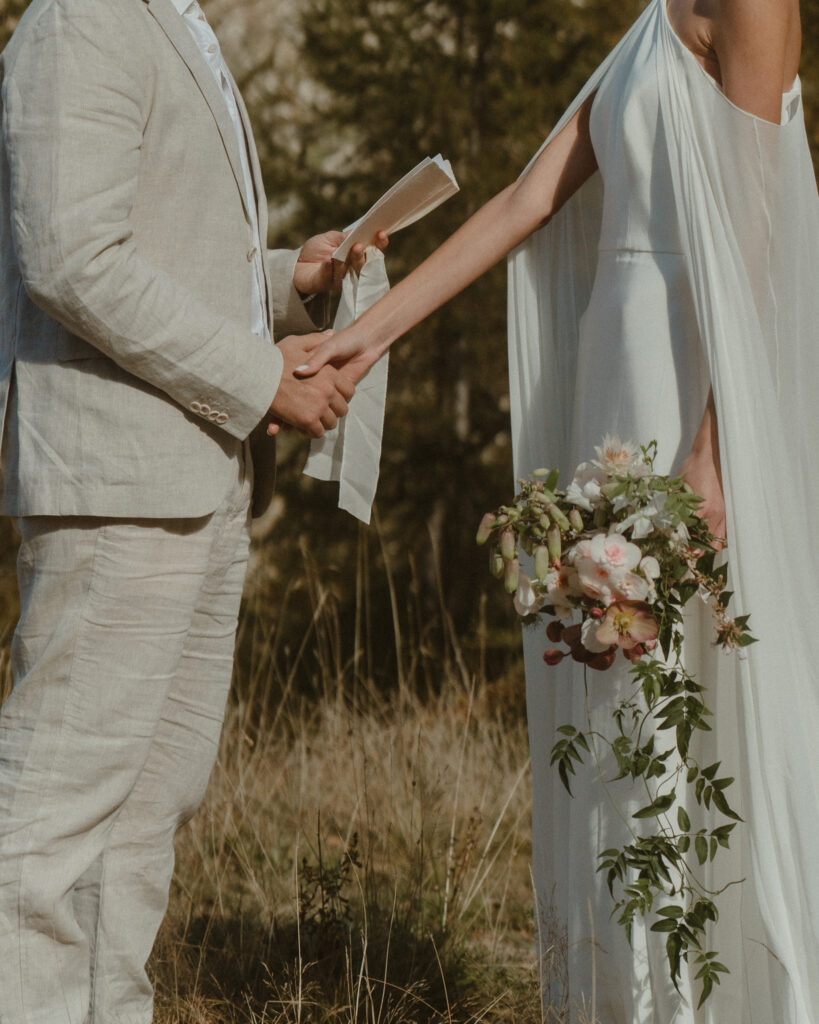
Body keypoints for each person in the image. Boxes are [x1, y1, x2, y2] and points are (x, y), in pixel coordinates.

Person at [297, 0, 819, 1020]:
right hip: (616, 398)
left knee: (697, 703)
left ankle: (712, 999)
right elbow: (523, 201)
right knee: (618, 690)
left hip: (700, 391)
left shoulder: (756, 4)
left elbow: (756, 232)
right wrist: (364, 342)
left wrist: (715, 452)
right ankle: (626, 991)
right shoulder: (653, 21)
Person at [0, 0, 388, 1020]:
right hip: (116, 485)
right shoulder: (81, 20)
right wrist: (260, 379)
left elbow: (153, 251)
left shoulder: (173, 20)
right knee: (47, 833)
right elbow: (70, 258)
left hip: (198, 482)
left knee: (139, 822)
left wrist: (282, 287)